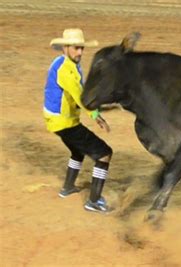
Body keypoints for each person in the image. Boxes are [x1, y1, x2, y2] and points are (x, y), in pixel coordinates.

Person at [44, 28, 112, 213]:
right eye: (76, 48)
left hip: (56, 121)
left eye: (81, 48)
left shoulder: (61, 62)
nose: (80, 52)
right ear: (66, 47)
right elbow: (79, 97)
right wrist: (96, 116)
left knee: (78, 151)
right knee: (104, 153)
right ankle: (94, 202)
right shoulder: (66, 70)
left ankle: (67, 188)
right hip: (64, 123)